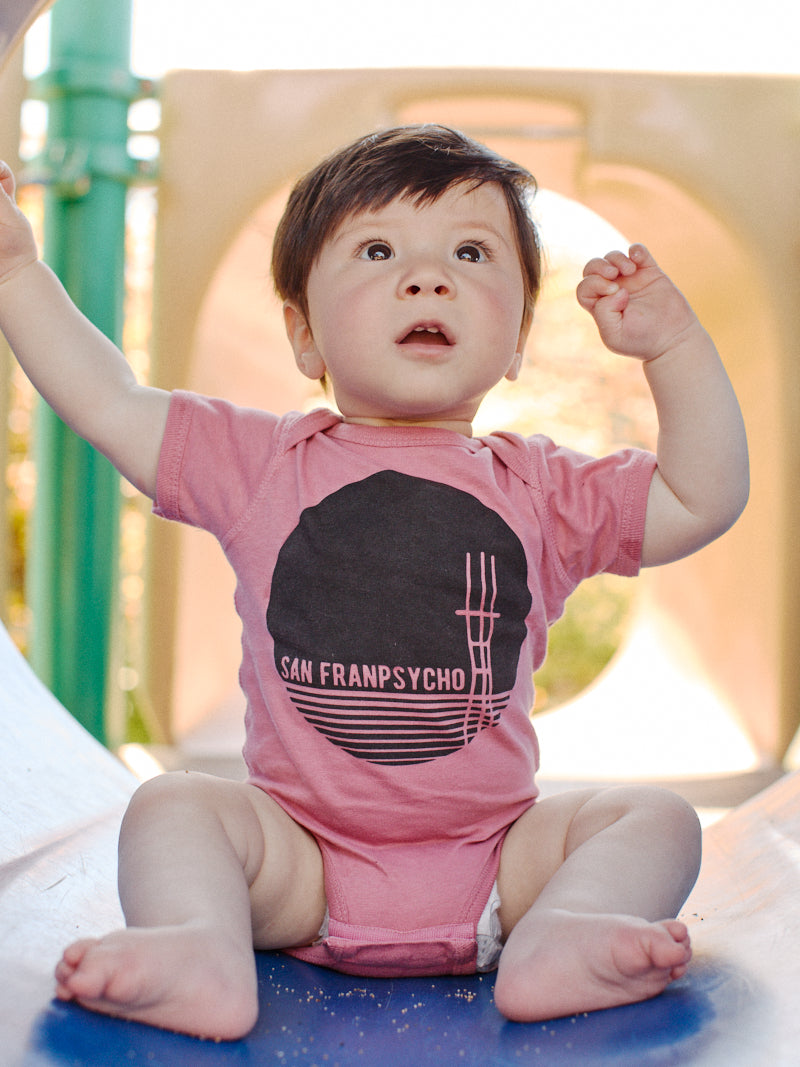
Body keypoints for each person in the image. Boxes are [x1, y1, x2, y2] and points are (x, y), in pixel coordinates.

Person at [0, 125, 748, 1041]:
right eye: (378, 250)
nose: (428, 278)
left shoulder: (542, 489)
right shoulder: (261, 463)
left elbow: (698, 496)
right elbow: (108, 399)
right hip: (301, 865)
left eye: (471, 254)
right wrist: (12, 274)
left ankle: (562, 935)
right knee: (176, 802)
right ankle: (199, 947)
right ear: (305, 333)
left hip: (497, 871)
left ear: (516, 340)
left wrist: (670, 346)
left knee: (655, 815)